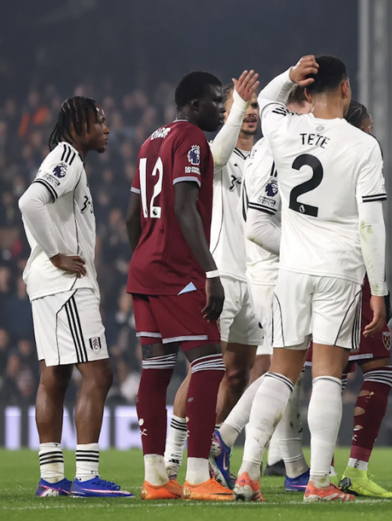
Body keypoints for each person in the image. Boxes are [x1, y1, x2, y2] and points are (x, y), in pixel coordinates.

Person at [234, 55, 387, 503]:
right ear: (345, 89)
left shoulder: (282, 131)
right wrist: (378, 288)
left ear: (305, 90)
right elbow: (371, 226)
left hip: (292, 269)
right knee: (326, 375)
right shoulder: (362, 145)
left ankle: (247, 472)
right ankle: (319, 481)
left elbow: (264, 99)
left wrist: (286, 76)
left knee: (280, 372)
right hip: (338, 269)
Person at [127, 70, 257, 501]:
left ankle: (156, 479)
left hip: (145, 269)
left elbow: (133, 216)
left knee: (157, 369)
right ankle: (198, 475)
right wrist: (211, 273)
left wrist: (145, 253)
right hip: (176, 271)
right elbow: (184, 208)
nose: (221, 109)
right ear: (193, 105)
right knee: (209, 366)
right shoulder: (191, 140)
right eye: (215, 102)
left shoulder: (150, 142)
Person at [19, 97, 130, 498]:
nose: (106, 128)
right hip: (65, 283)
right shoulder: (67, 156)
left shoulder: (64, 158)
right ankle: (86, 477)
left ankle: (51, 480)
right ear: (79, 124)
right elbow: (29, 201)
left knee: (55, 377)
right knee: (99, 375)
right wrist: (56, 254)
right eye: (99, 121)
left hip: (46, 286)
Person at [216, 85, 314, 493]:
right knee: (283, 370)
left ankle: (291, 466)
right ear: (297, 106)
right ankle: (224, 437)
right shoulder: (276, 149)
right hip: (272, 272)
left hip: (272, 270)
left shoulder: (271, 147)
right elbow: (258, 228)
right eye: (311, 104)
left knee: (286, 370)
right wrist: (307, 249)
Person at [164, 82, 262, 488]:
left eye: (255, 104)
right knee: (205, 369)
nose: (251, 111)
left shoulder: (263, 159)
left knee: (240, 375)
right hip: (221, 275)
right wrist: (236, 107)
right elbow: (218, 154)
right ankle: (173, 457)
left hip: (255, 279)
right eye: (242, 105)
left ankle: (214, 454)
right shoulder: (211, 154)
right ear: (226, 112)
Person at [333, 101, 392, 499]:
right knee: (375, 371)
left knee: (298, 371)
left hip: (303, 269)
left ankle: (247, 453)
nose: (374, 134)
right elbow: (370, 226)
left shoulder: (314, 153)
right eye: (369, 126)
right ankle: (350, 471)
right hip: (350, 272)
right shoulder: (362, 155)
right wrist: (380, 288)